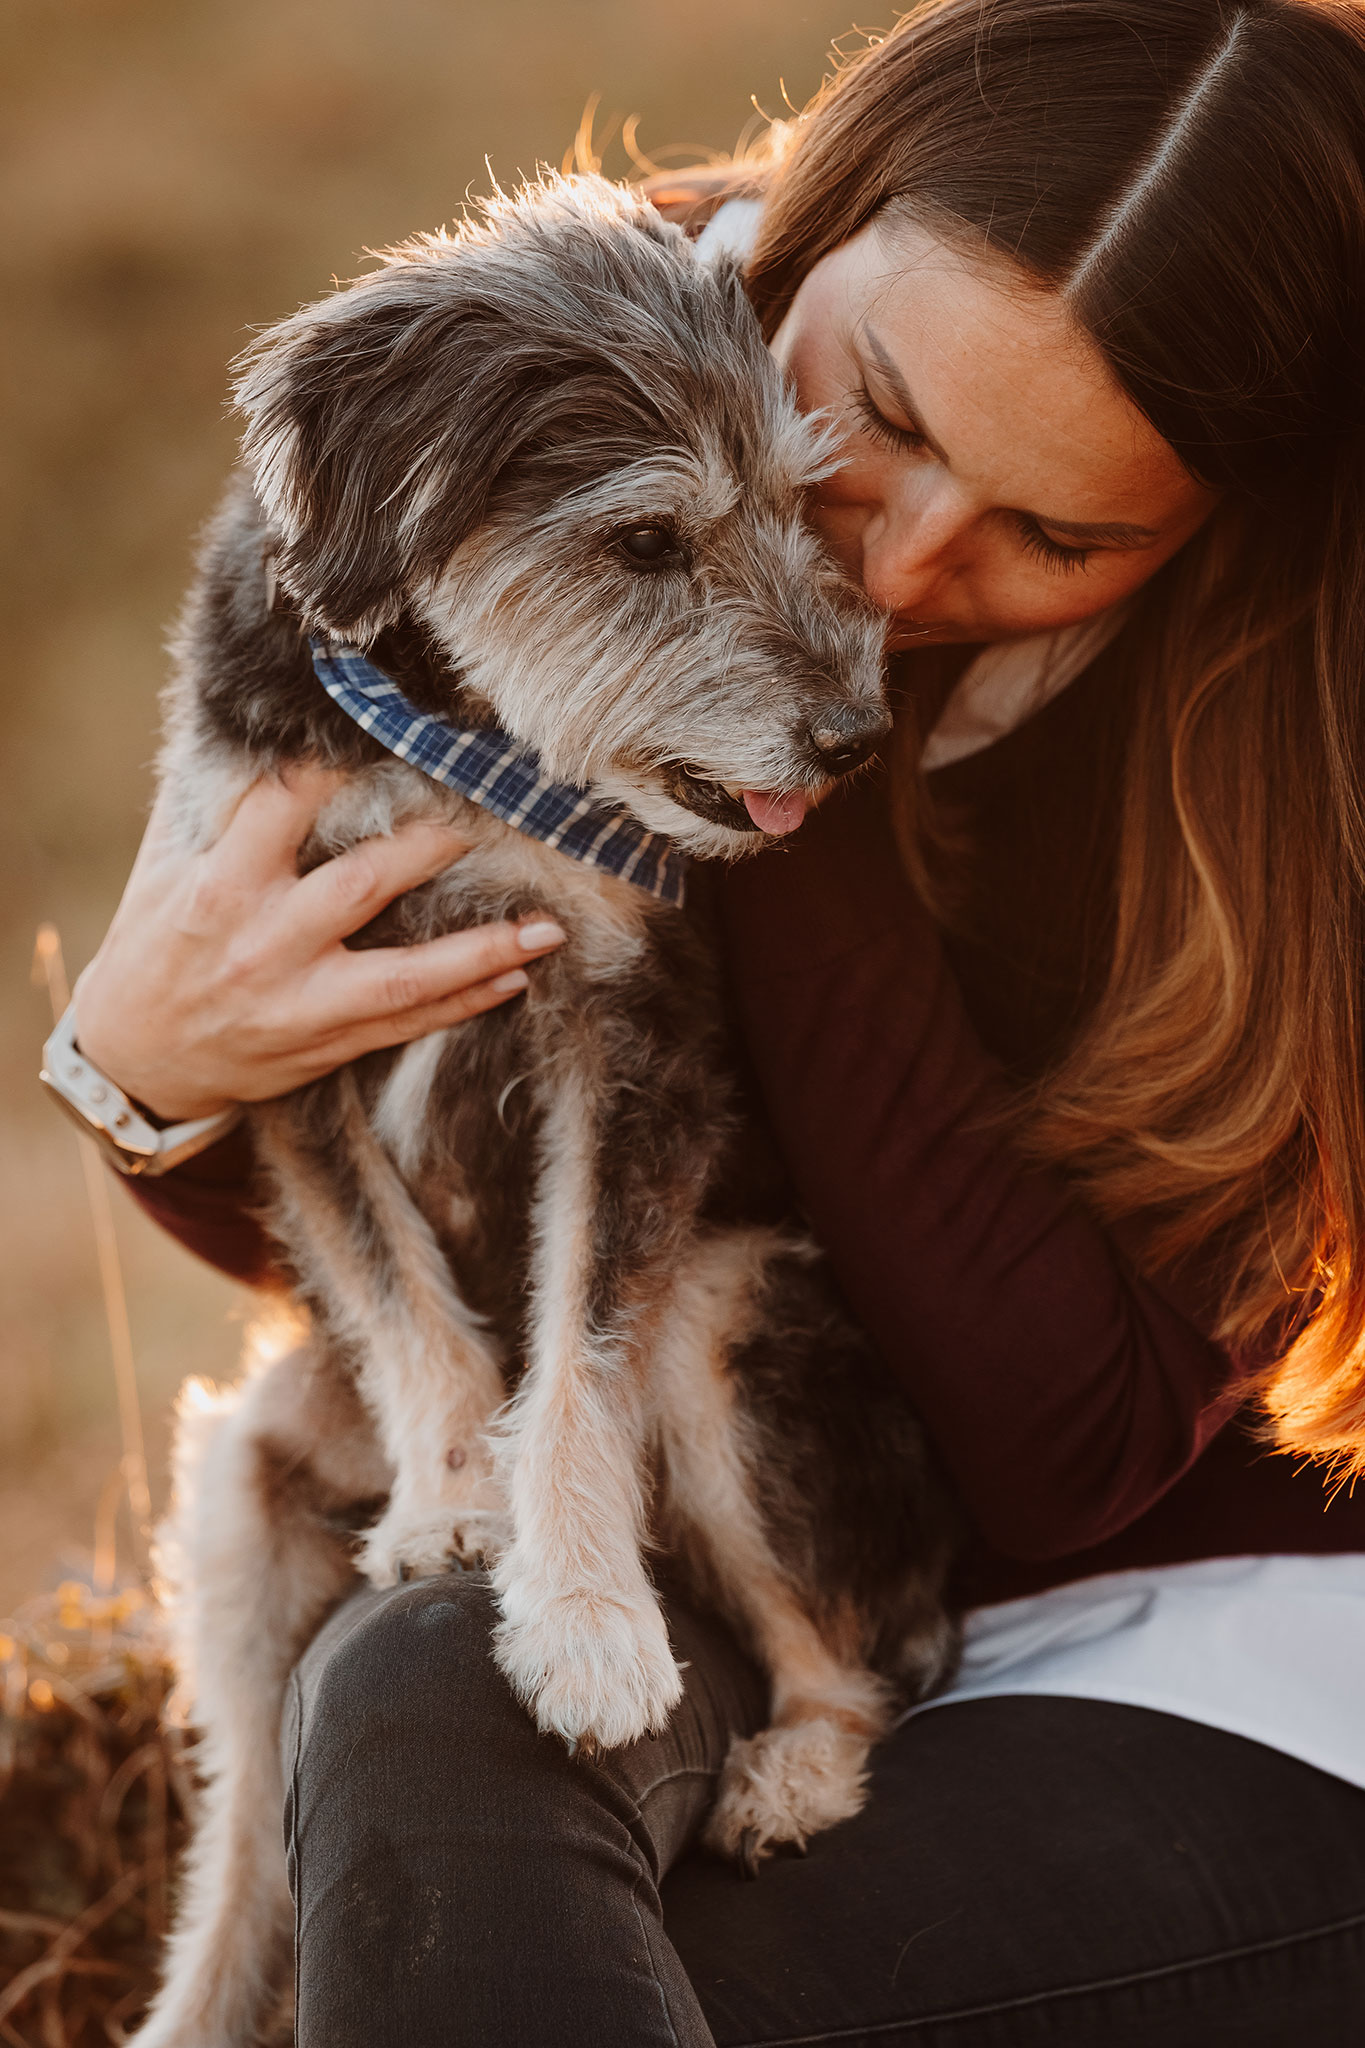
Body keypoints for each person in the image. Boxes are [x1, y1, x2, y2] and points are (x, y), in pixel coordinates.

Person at [68, 1, 1365, 2039]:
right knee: (418, 1671)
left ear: (1216, 521)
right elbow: (420, 1128)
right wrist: (138, 1082)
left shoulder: (1292, 740)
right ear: (799, 230)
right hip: (702, 1525)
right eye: (883, 417)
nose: (907, 562)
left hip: (1220, 1668)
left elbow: (1070, 1450)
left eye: (1059, 534)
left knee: (576, 1977)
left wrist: (776, 753)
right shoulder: (548, 408)